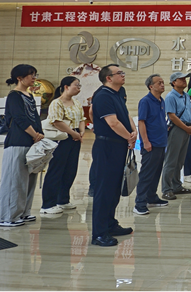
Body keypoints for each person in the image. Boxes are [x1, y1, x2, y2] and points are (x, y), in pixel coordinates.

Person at [90, 64, 136, 246]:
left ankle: (110, 224)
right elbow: (113, 123)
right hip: (106, 146)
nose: (123, 75)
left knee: (114, 188)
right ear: (108, 78)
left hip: (119, 145)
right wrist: (129, 137)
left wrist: (133, 131)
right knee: (104, 190)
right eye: (119, 73)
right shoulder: (102, 95)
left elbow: (125, 115)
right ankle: (99, 233)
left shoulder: (118, 93)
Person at [0, 64, 44, 227]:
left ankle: (23, 212)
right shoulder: (14, 96)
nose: (34, 78)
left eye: (35, 74)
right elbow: (19, 118)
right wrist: (35, 134)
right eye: (31, 75)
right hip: (17, 142)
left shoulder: (30, 95)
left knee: (29, 180)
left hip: (31, 142)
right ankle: (8, 216)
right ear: (19, 78)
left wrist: (40, 134)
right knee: (15, 180)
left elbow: (35, 117)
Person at [40, 76, 85, 215]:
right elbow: (57, 122)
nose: (79, 88)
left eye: (80, 85)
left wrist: (81, 131)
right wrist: (73, 133)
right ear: (66, 87)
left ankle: (63, 200)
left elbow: (82, 119)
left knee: (70, 169)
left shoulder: (76, 103)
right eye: (76, 85)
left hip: (75, 138)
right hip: (61, 138)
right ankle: (48, 204)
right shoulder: (56, 103)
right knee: (56, 170)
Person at [134, 74, 170, 215]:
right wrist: (146, 141)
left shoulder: (161, 100)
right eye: (159, 83)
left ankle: (151, 197)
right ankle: (139, 203)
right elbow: (141, 122)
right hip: (151, 143)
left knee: (156, 172)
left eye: (163, 82)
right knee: (147, 174)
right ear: (151, 86)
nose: (162, 84)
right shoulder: (145, 101)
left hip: (161, 142)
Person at [162, 72, 191, 200]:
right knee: (171, 160)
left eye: (184, 79)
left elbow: (190, 110)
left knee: (180, 160)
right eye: (180, 79)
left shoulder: (186, 95)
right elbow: (172, 116)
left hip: (187, 128)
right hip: (177, 129)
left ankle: (176, 185)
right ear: (174, 82)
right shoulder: (171, 97)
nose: (184, 81)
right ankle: (166, 189)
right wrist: (186, 128)